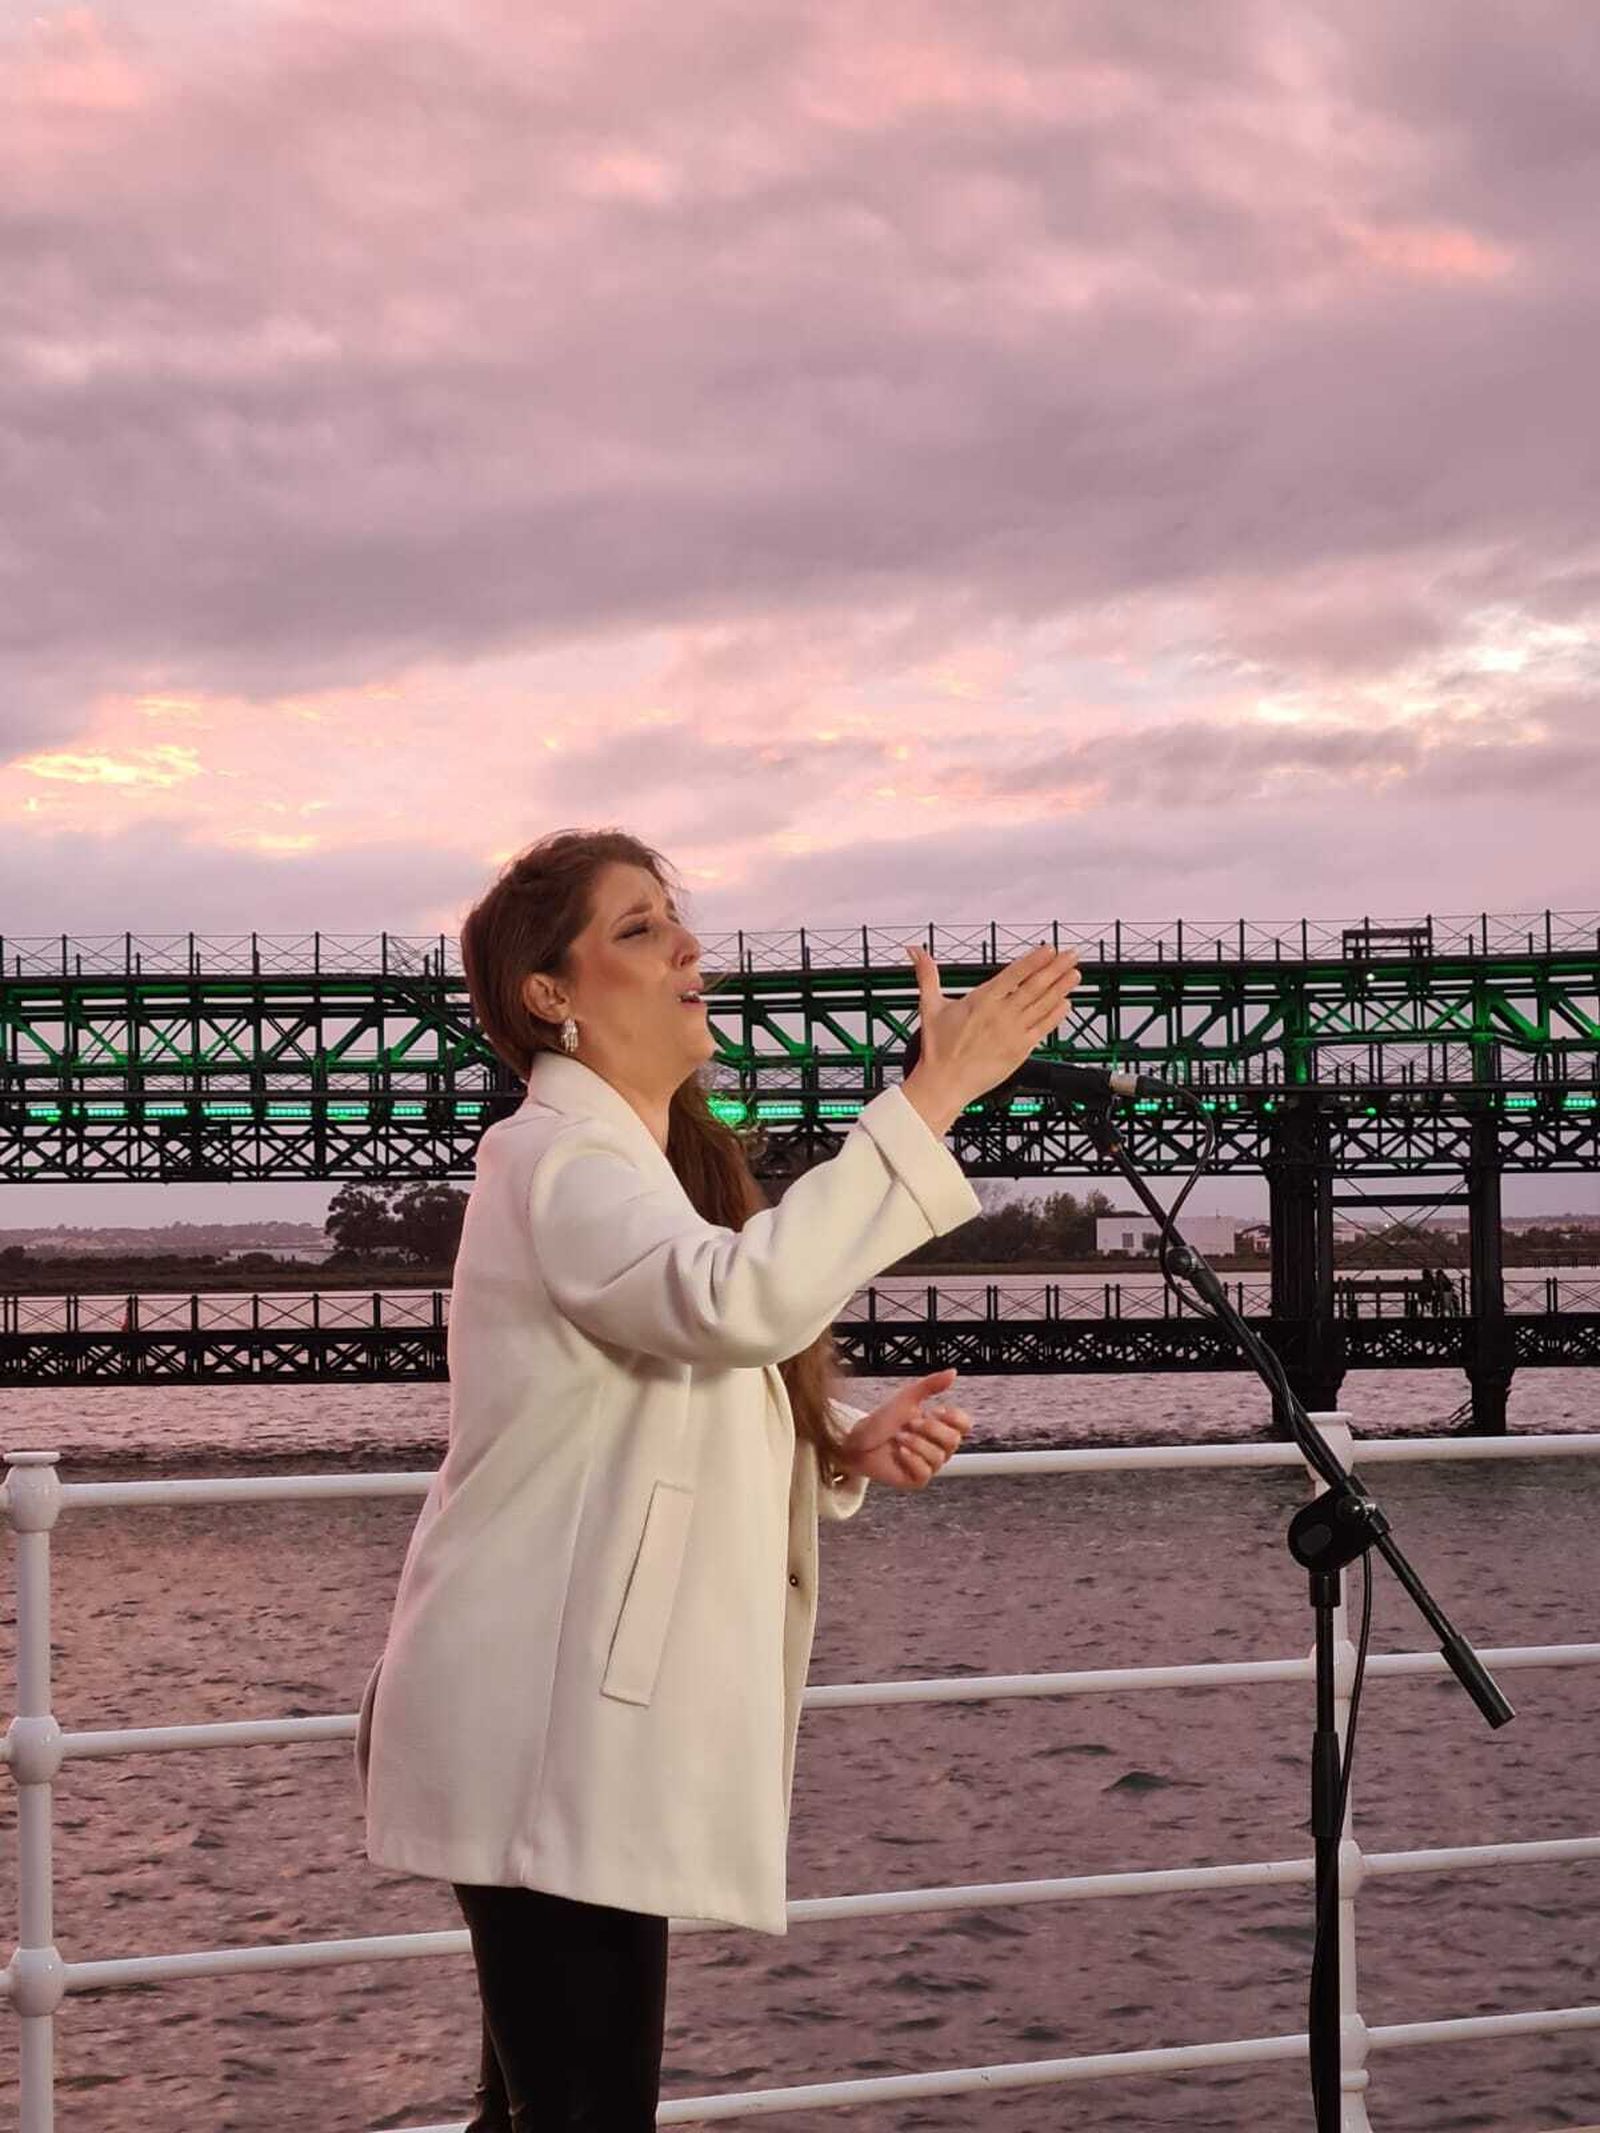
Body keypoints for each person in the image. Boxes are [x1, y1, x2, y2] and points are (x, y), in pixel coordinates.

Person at [353, 827, 1082, 2130]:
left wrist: (830, 1441)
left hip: (555, 1724)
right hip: (541, 1729)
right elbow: (729, 1301)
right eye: (637, 928)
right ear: (549, 993)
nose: (689, 945)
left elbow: (656, 1375)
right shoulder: (563, 1161)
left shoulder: (626, 1170)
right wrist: (931, 1098)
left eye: (674, 916)